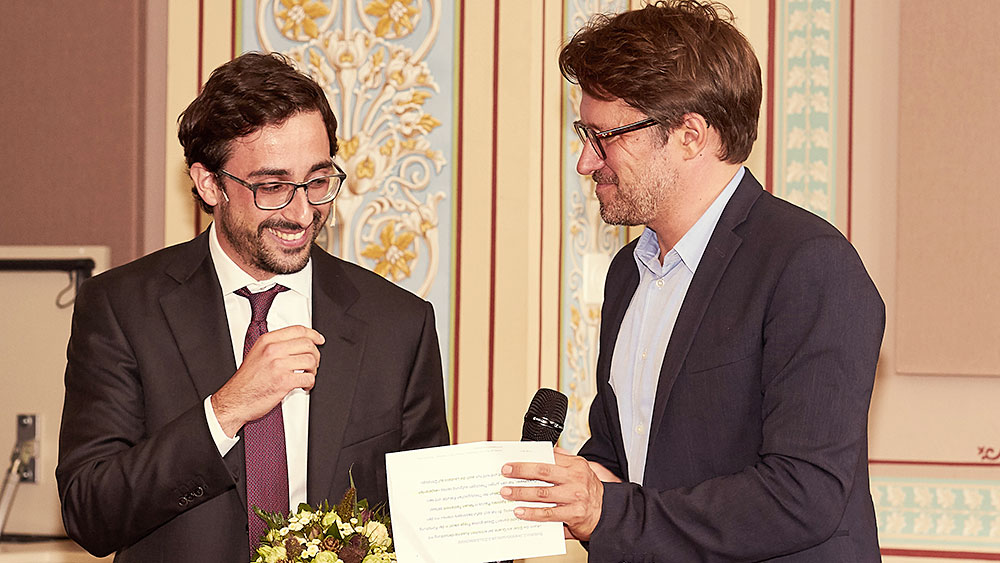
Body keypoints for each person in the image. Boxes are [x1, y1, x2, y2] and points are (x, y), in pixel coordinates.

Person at [500, 1, 884, 561]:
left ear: (690, 135)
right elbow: (626, 460)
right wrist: (555, 489)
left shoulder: (810, 265)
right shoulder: (627, 273)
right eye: (585, 135)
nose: (585, 163)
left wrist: (605, 509)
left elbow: (804, 495)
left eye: (603, 136)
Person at [56, 52, 449, 562]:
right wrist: (226, 410)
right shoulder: (121, 308)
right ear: (209, 184)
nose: (303, 211)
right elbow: (91, 514)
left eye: (318, 180)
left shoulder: (399, 323)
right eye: (272, 187)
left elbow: (424, 524)